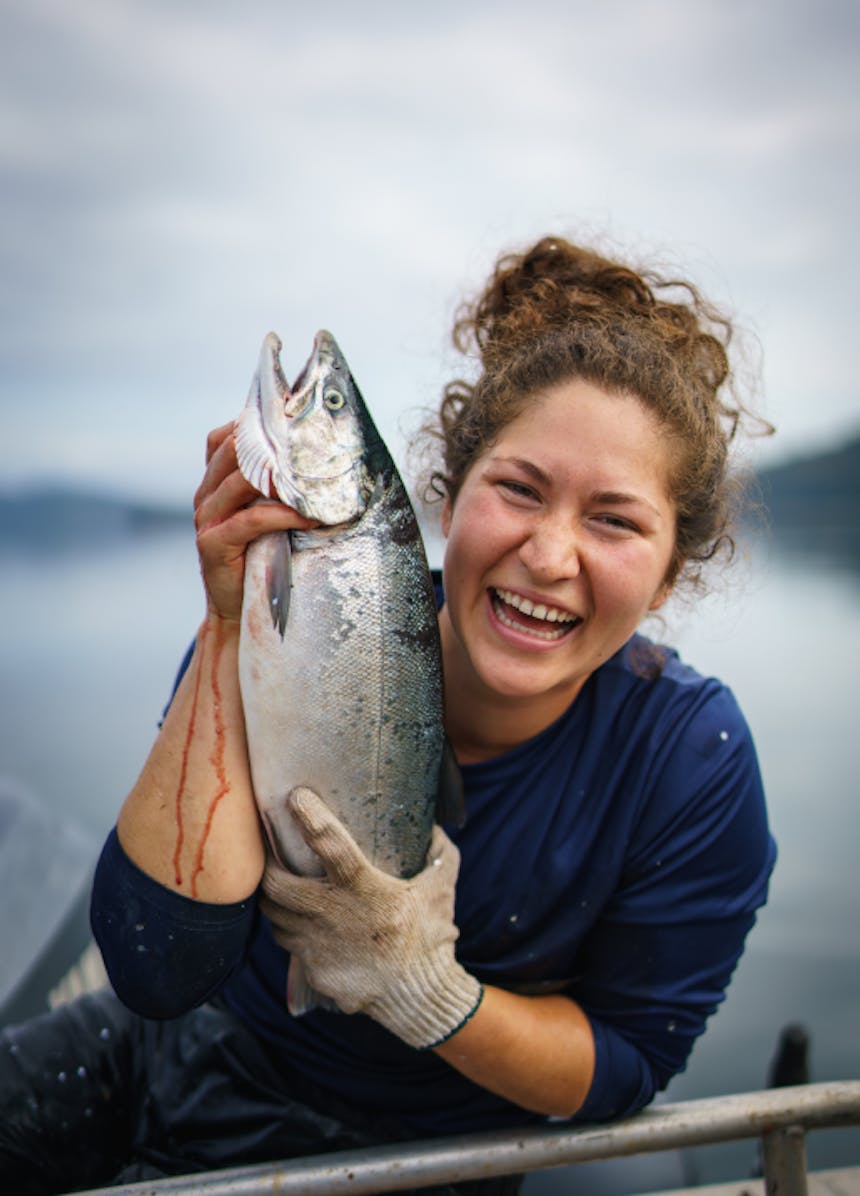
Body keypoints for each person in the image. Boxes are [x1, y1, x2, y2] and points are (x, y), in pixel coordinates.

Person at [0, 235, 776, 1194]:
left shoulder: (688, 757)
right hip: (173, 1044)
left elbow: (624, 1065)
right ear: (448, 498)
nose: (549, 553)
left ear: (668, 578)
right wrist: (225, 620)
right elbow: (158, 966)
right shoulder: (296, 630)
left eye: (614, 520)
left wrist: (425, 989)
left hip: (415, 1152)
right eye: (519, 489)